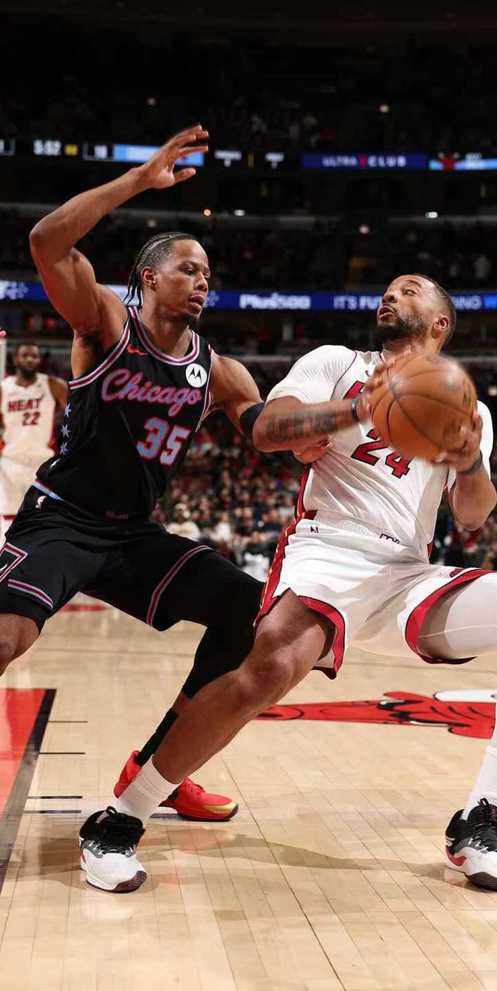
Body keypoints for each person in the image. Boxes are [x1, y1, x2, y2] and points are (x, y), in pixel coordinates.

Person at [111, 273, 497, 894]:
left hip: (407, 571)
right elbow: (268, 429)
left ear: (440, 323)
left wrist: (468, 462)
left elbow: (472, 515)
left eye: (409, 290)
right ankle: (124, 814)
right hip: (328, 549)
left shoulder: (468, 407)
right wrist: (347, 412)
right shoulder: (337, 363)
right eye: (389, 289)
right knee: (267, 671)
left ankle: (481, 817)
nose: (391, 295)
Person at [0, 126, 273, 888]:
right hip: (61, 517)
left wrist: (349, 416)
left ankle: (157, 767)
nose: (202, 280)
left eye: (208, 272)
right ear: (148, 278)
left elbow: (267, 431)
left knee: (249, 611)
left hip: (133, 537)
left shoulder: (220, 370)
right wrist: (137, 181)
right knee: (7, 636)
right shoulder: (105, 322)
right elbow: (46, 242)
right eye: (188, 268)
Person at [0, 342, 67, 532]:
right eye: (25, 355)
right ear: (15, 359)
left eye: (34, 356)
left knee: (43, 516)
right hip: (11, 461)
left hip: (42, 461)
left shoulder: (54, 385)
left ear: (40, 360)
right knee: (8, 518)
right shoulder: (3, 388)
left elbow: (74, 414)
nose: (30, 359)